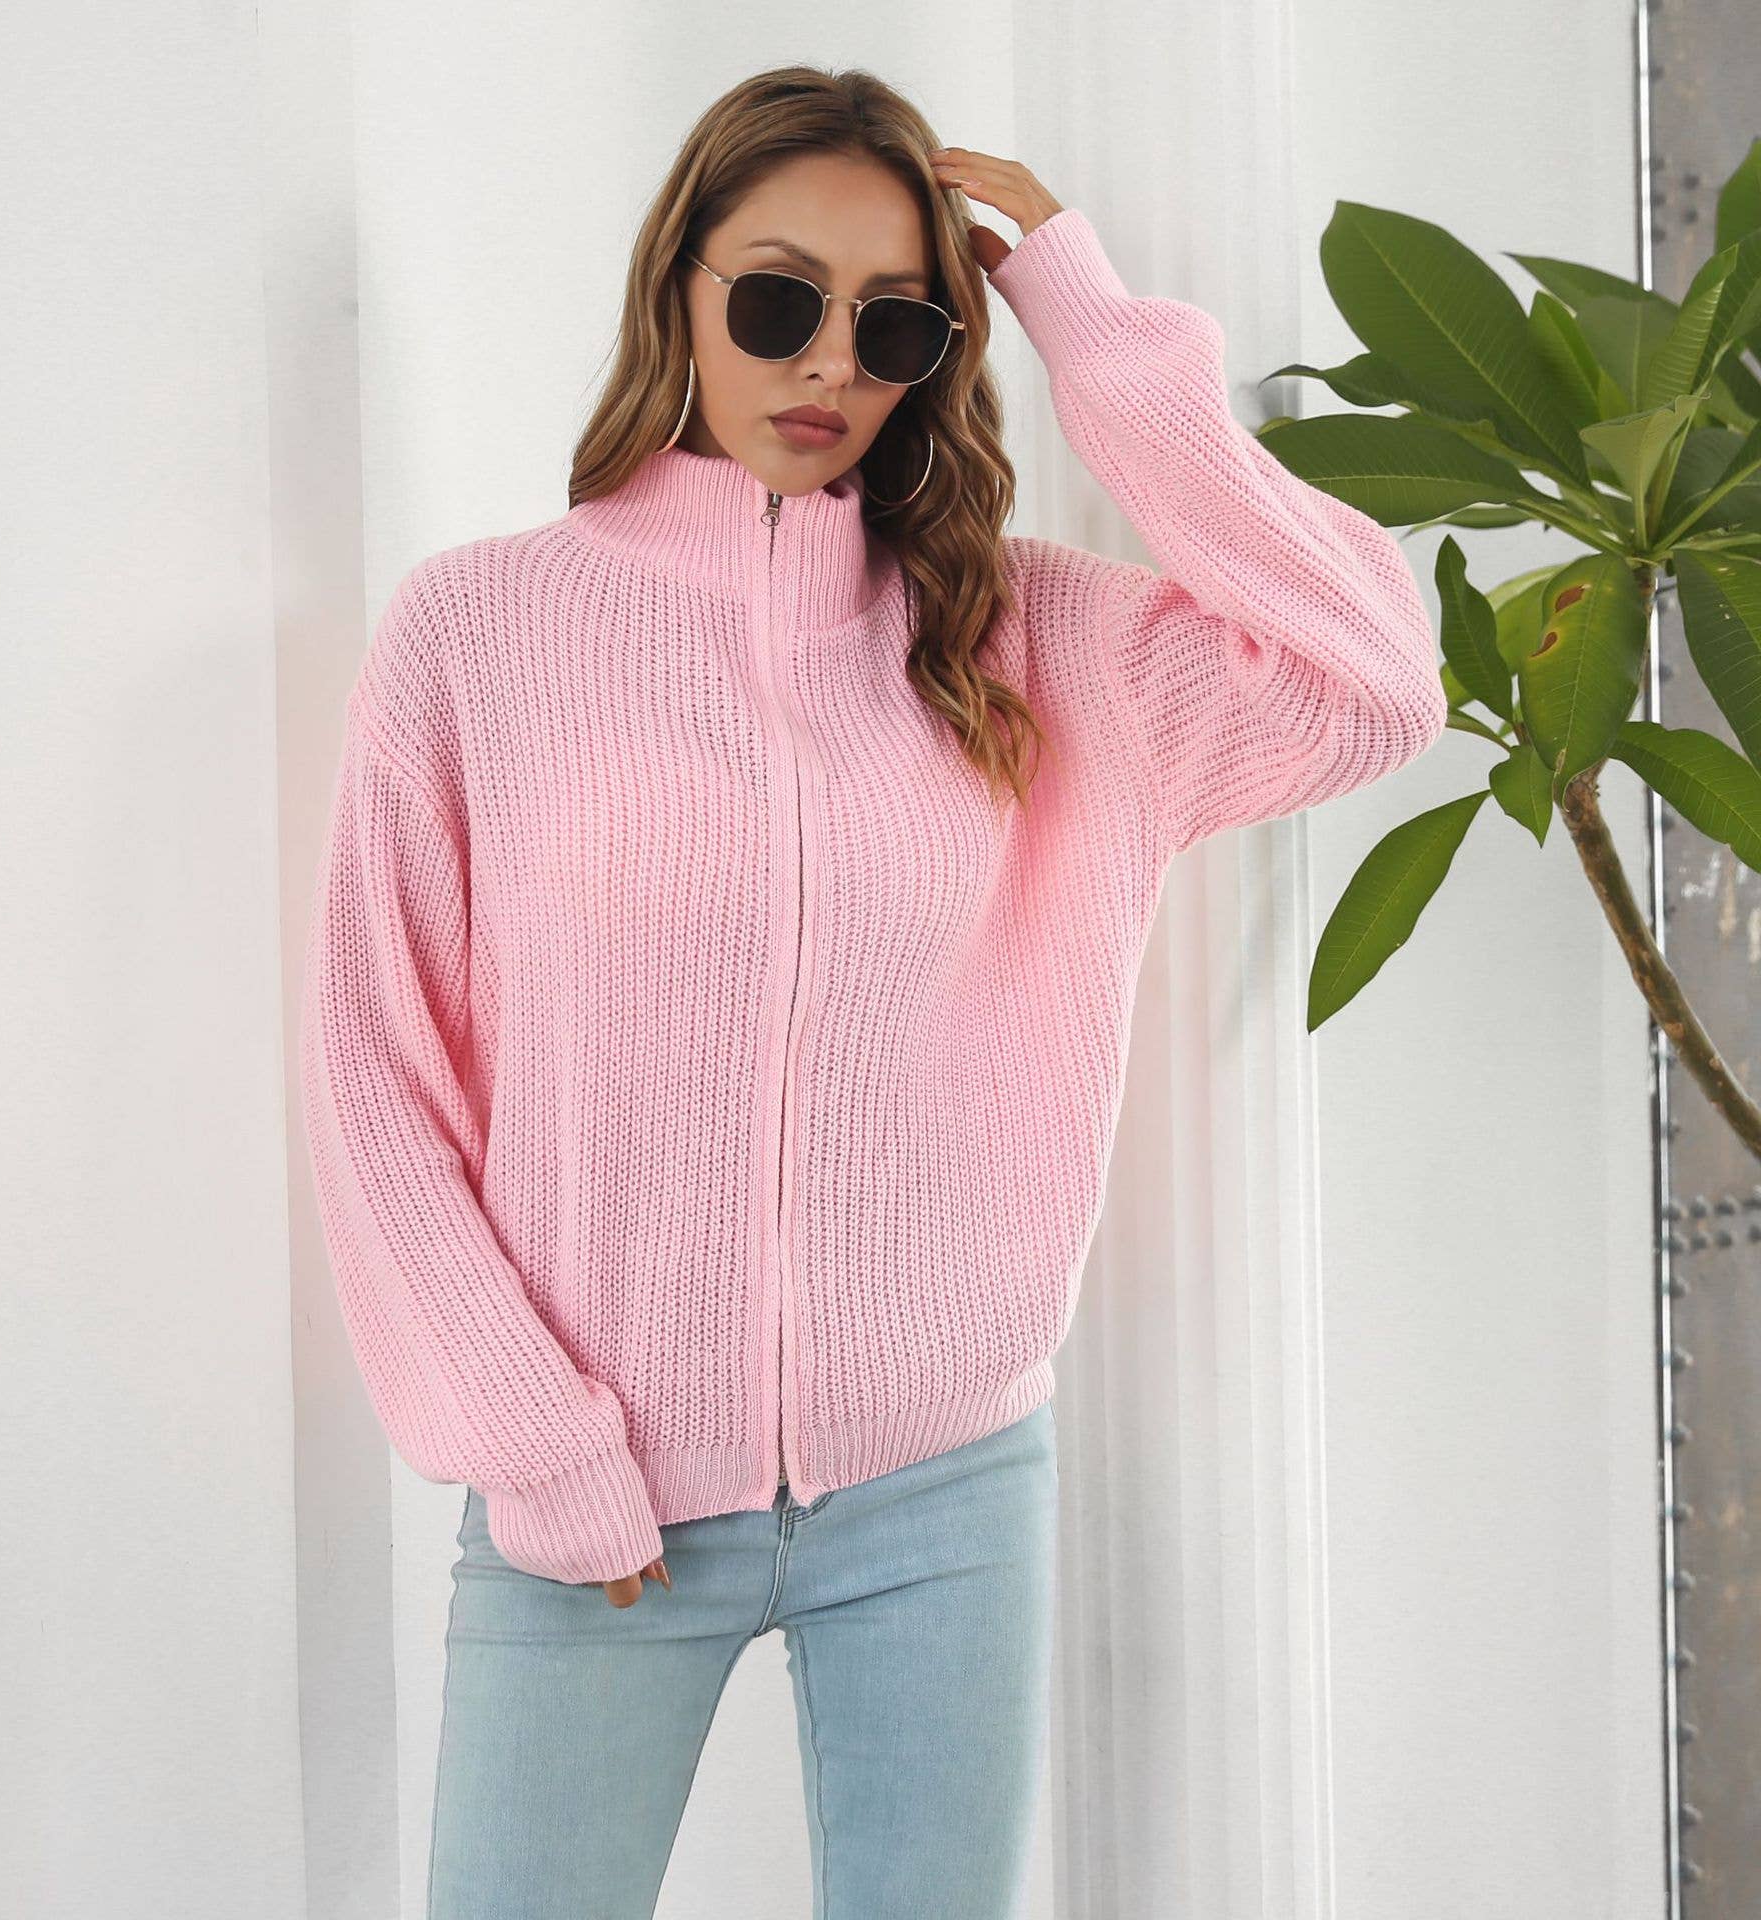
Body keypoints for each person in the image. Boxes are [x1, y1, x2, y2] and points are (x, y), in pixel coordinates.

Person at [296, 63, 1448, 1920]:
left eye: (895, 322)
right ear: (678, 289)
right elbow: (376, 1073)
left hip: (943, 1491)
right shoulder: (479, 635)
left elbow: (1375, 684)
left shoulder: (1024, 639)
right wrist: (540, 1445)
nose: (828, 361)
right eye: (776, 300)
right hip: (596, 1497)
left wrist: (1097, 333)